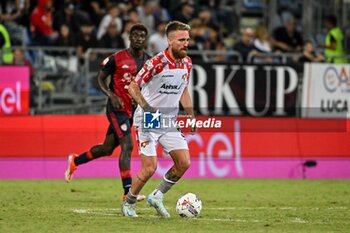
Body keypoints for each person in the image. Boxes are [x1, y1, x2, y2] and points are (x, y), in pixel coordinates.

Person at [64, 23, 151, 201]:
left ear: (145, 40)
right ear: (129, 37)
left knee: (106, 148)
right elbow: (100, 78)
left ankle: (75, 161)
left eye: (142, 36)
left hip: (132, 112)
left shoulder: (148, 62)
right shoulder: (116, 58)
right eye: (136, 35)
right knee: (127, 145)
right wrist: (111, 95)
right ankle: (128, 191)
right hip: (116, 109)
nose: (139, 39)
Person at [122, 20, 196, 218]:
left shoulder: (187, 63)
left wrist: (191, 114)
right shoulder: (156, 63)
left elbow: (183, 90)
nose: (186, 43)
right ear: (170, 41)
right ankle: (129, 203)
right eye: (181, 40)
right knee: (149, 168)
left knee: (184, 162)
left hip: (169, 119)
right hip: (150, 117)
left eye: (187, 40)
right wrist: (146, 107)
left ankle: (157, 195)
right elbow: (132, 87)